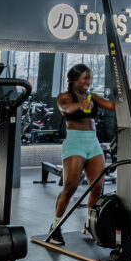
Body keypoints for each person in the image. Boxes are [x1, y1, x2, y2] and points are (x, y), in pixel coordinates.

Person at [47, 64, 116, 245]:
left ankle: (89, 225)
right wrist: (80, 105)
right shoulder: (65, 96)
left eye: (89, 77)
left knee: (97, 187)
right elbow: (66, 108)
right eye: (84, 77)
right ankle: (55, 227)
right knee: (70, 187)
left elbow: (112, 106)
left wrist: (129, 98)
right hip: (75, 142)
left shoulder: (92, 97)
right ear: (73, 79)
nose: (88, 81)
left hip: (93, 143)